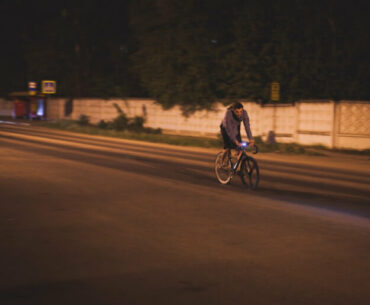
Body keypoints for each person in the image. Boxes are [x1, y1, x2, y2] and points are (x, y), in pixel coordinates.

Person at [220, 102, 254, 168]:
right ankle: (222, 162)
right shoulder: (228, 113)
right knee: (228, 147)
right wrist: (235, 141)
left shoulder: (244, 113)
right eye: (237, 112)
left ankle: (238, 168)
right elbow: (229, 130)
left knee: (240, 148)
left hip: (236, 127)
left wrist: (251, 139)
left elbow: (247, 126)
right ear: (233, 110)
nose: (239, 114)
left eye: (241, 111)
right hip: (225, 128)